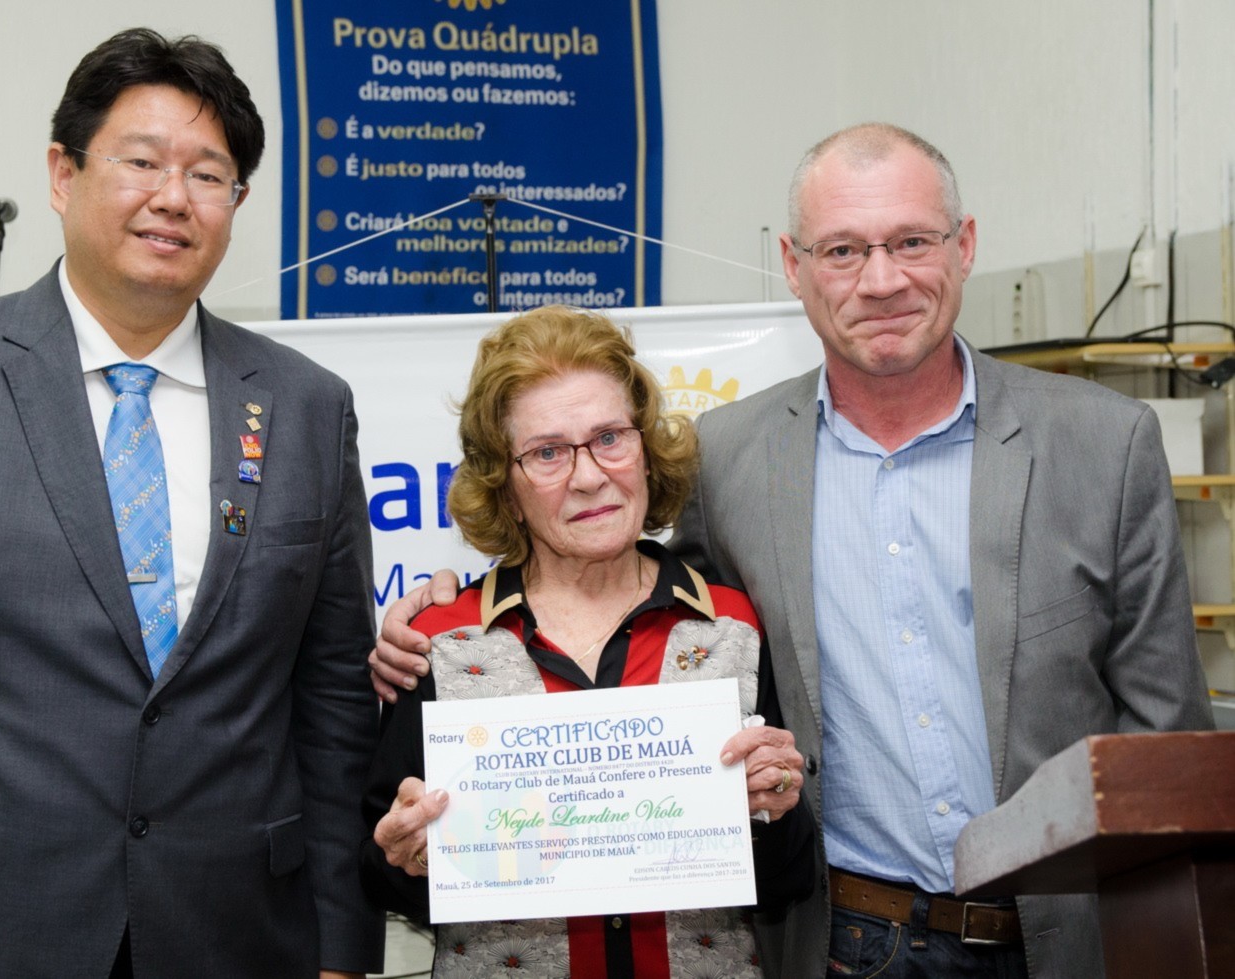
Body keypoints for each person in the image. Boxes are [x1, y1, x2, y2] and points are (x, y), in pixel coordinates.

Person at [371, 125, 1216, 978]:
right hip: (847, 942)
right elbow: (610, 580)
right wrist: (436, 612)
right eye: (843, 250)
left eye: (911, 241)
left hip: (1068, 943)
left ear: (964, 246)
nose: (881, 280)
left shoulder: (1105, 445)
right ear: (794, 266)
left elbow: (1171, 746)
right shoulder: (731, 460)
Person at [0, 28, 382, 979]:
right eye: (142, 161)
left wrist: (340, 948)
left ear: (236, 202)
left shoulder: (306, 406)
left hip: (233, 935)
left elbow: (331, 701)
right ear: (63, 173)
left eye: (208, 175)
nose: (173, 197)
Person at [361, 306, 815, 978]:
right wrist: (405, 855)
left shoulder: (733, 626)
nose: (589, 476)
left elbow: (786, 879)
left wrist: (776, 808)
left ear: (646, 450)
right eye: (548, 452)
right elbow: (384, 872)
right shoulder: (439, 641)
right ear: (505, 486)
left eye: (609, 437)